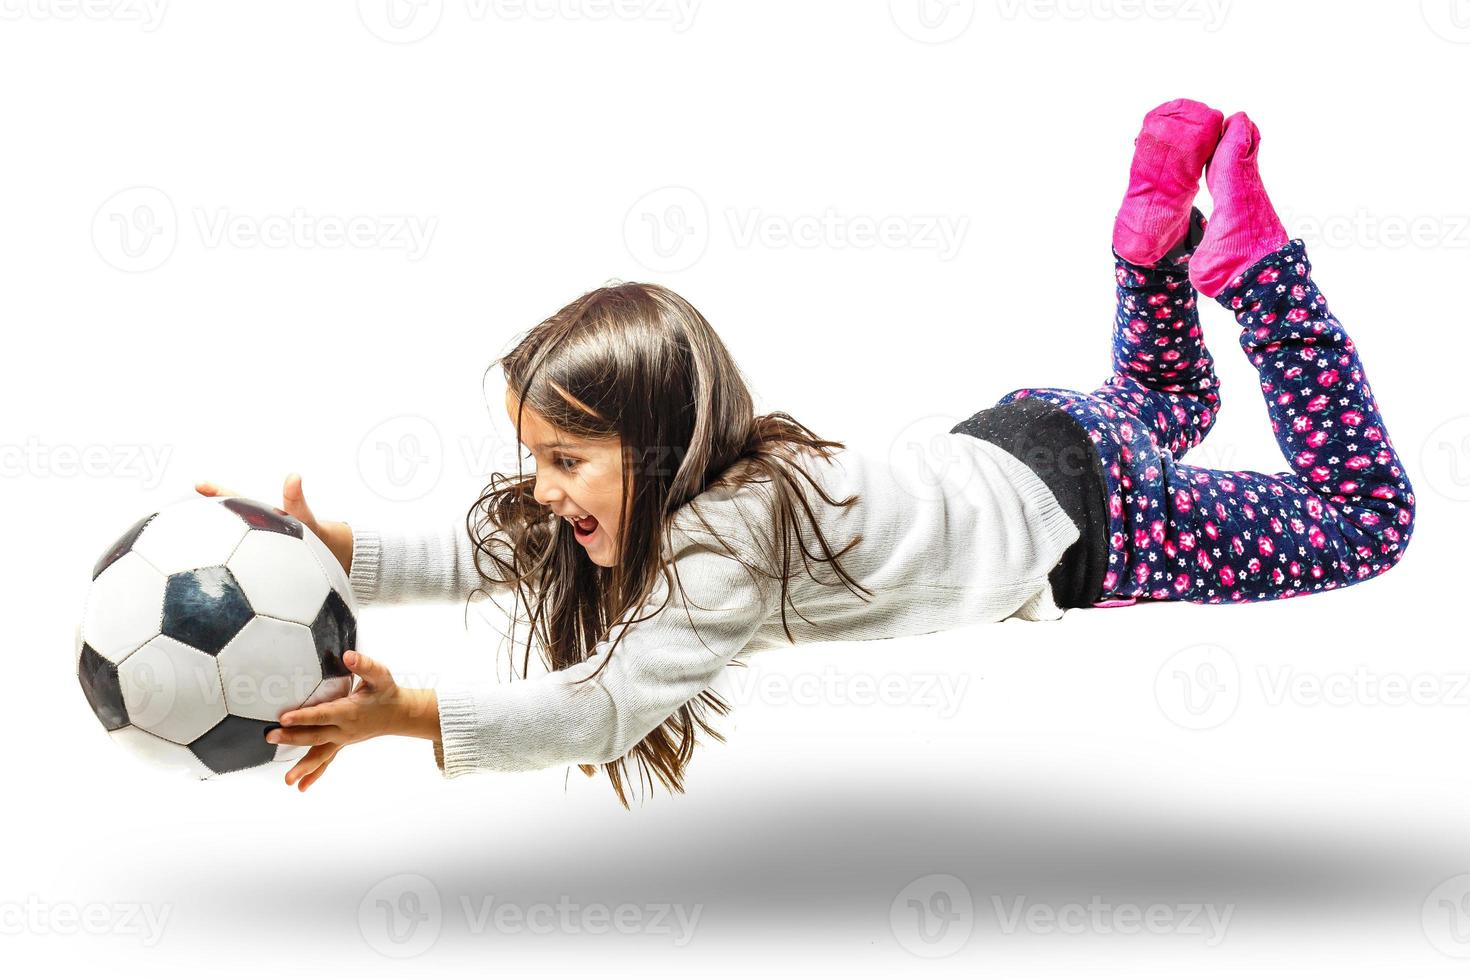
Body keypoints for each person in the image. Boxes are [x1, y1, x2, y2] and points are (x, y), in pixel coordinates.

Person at [197, 100, 1414, 804]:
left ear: (662, 442)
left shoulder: (720, 550)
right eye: (538, 454)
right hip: (1033, 443)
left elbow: (604, 708)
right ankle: (1151, 234)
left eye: (568, 457)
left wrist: (406, 712)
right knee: (1158, 398)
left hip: (1084, 518)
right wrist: (328, 543)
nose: (541, 485)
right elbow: (499, 551)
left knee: (1367, 520)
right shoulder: (726, 475)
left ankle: (1252, 274)